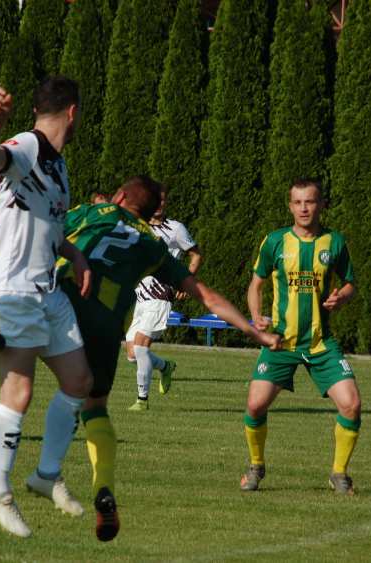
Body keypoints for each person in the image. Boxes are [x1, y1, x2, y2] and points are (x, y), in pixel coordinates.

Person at [57, 176, 281, 541]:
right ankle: (103, 486)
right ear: (149, 210)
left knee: (25, 370)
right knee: (95, 407)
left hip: (64, 302)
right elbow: (208, 297)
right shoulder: (151, 245)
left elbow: (40, 228)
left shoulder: (91, 212)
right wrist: (254, 331)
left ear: (119, 196)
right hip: (105, 322)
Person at [0, 76, 94, 539]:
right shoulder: (27, 145)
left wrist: (74, 254)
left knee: (79, 381)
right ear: (73, 112)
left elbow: (46, 223)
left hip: (46, 291)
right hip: (12, 288)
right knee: (19, 393)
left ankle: (45, 476)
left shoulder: (60, 166)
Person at [239, 178, 361, 495]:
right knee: (254, 406)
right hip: (281, 342)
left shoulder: (334, 242)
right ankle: (255, 466)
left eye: (310, 201)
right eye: (298, 202)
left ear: (322, 205)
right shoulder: (275, 241)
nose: (304, 208)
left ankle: (339, 474)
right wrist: (255, 317)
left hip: (321, 345)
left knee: (351, 405)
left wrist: (342, 297)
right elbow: (256, 285)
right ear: (290, 206)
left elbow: (350, 283)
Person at [124, 187, 203, 411]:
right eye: (155, 200)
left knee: (140, 349)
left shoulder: (176, 229)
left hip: (160, 297)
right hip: (139, 298)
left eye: (163, 201)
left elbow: (196, 254)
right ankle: (166, 366)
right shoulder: (138, 227)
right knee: (132, 354)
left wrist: (186, 280)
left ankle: (142, 400)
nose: (159, 204)